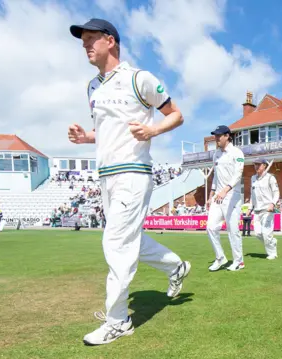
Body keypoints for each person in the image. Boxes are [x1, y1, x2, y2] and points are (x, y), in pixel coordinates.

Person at [67, 18, 190, 346]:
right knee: (127, 240)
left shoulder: (140, 79)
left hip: (134, 172)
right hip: (106, 176)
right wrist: (86, 138)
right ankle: (176, 267)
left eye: (91, 39)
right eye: (83, 42)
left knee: (116, 244)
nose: (85, 46)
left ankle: (118, 320)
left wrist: (153, 130)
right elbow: (109, 131)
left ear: (111, 41)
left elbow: (176, 114)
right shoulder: (92, 87)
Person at [206, 125, 245, 272]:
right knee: (210, 227)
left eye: (219, 135)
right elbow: (215, 176)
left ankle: (239, 261)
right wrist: (211, 195)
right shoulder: (216, 154)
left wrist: (226, 190)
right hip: (218, 196)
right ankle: (220, 257)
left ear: (227, 136)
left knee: (233, 230)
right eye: (215, 136)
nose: (216, 138)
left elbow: (238, 174)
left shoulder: (237, 152)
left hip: (232, 196)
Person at [250, 158, 280, 259]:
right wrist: (250, 208)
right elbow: (252, 194)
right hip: (257, 210)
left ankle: (272, 253)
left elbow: (276, 192)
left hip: (268, 209)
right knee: (258, 234)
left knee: (266, 234)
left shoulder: (270, 178)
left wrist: (272, 203)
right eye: (255, 164)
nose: (256, 166)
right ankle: (272, 242)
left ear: (264, 166)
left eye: (259, 165)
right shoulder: (253, 178)